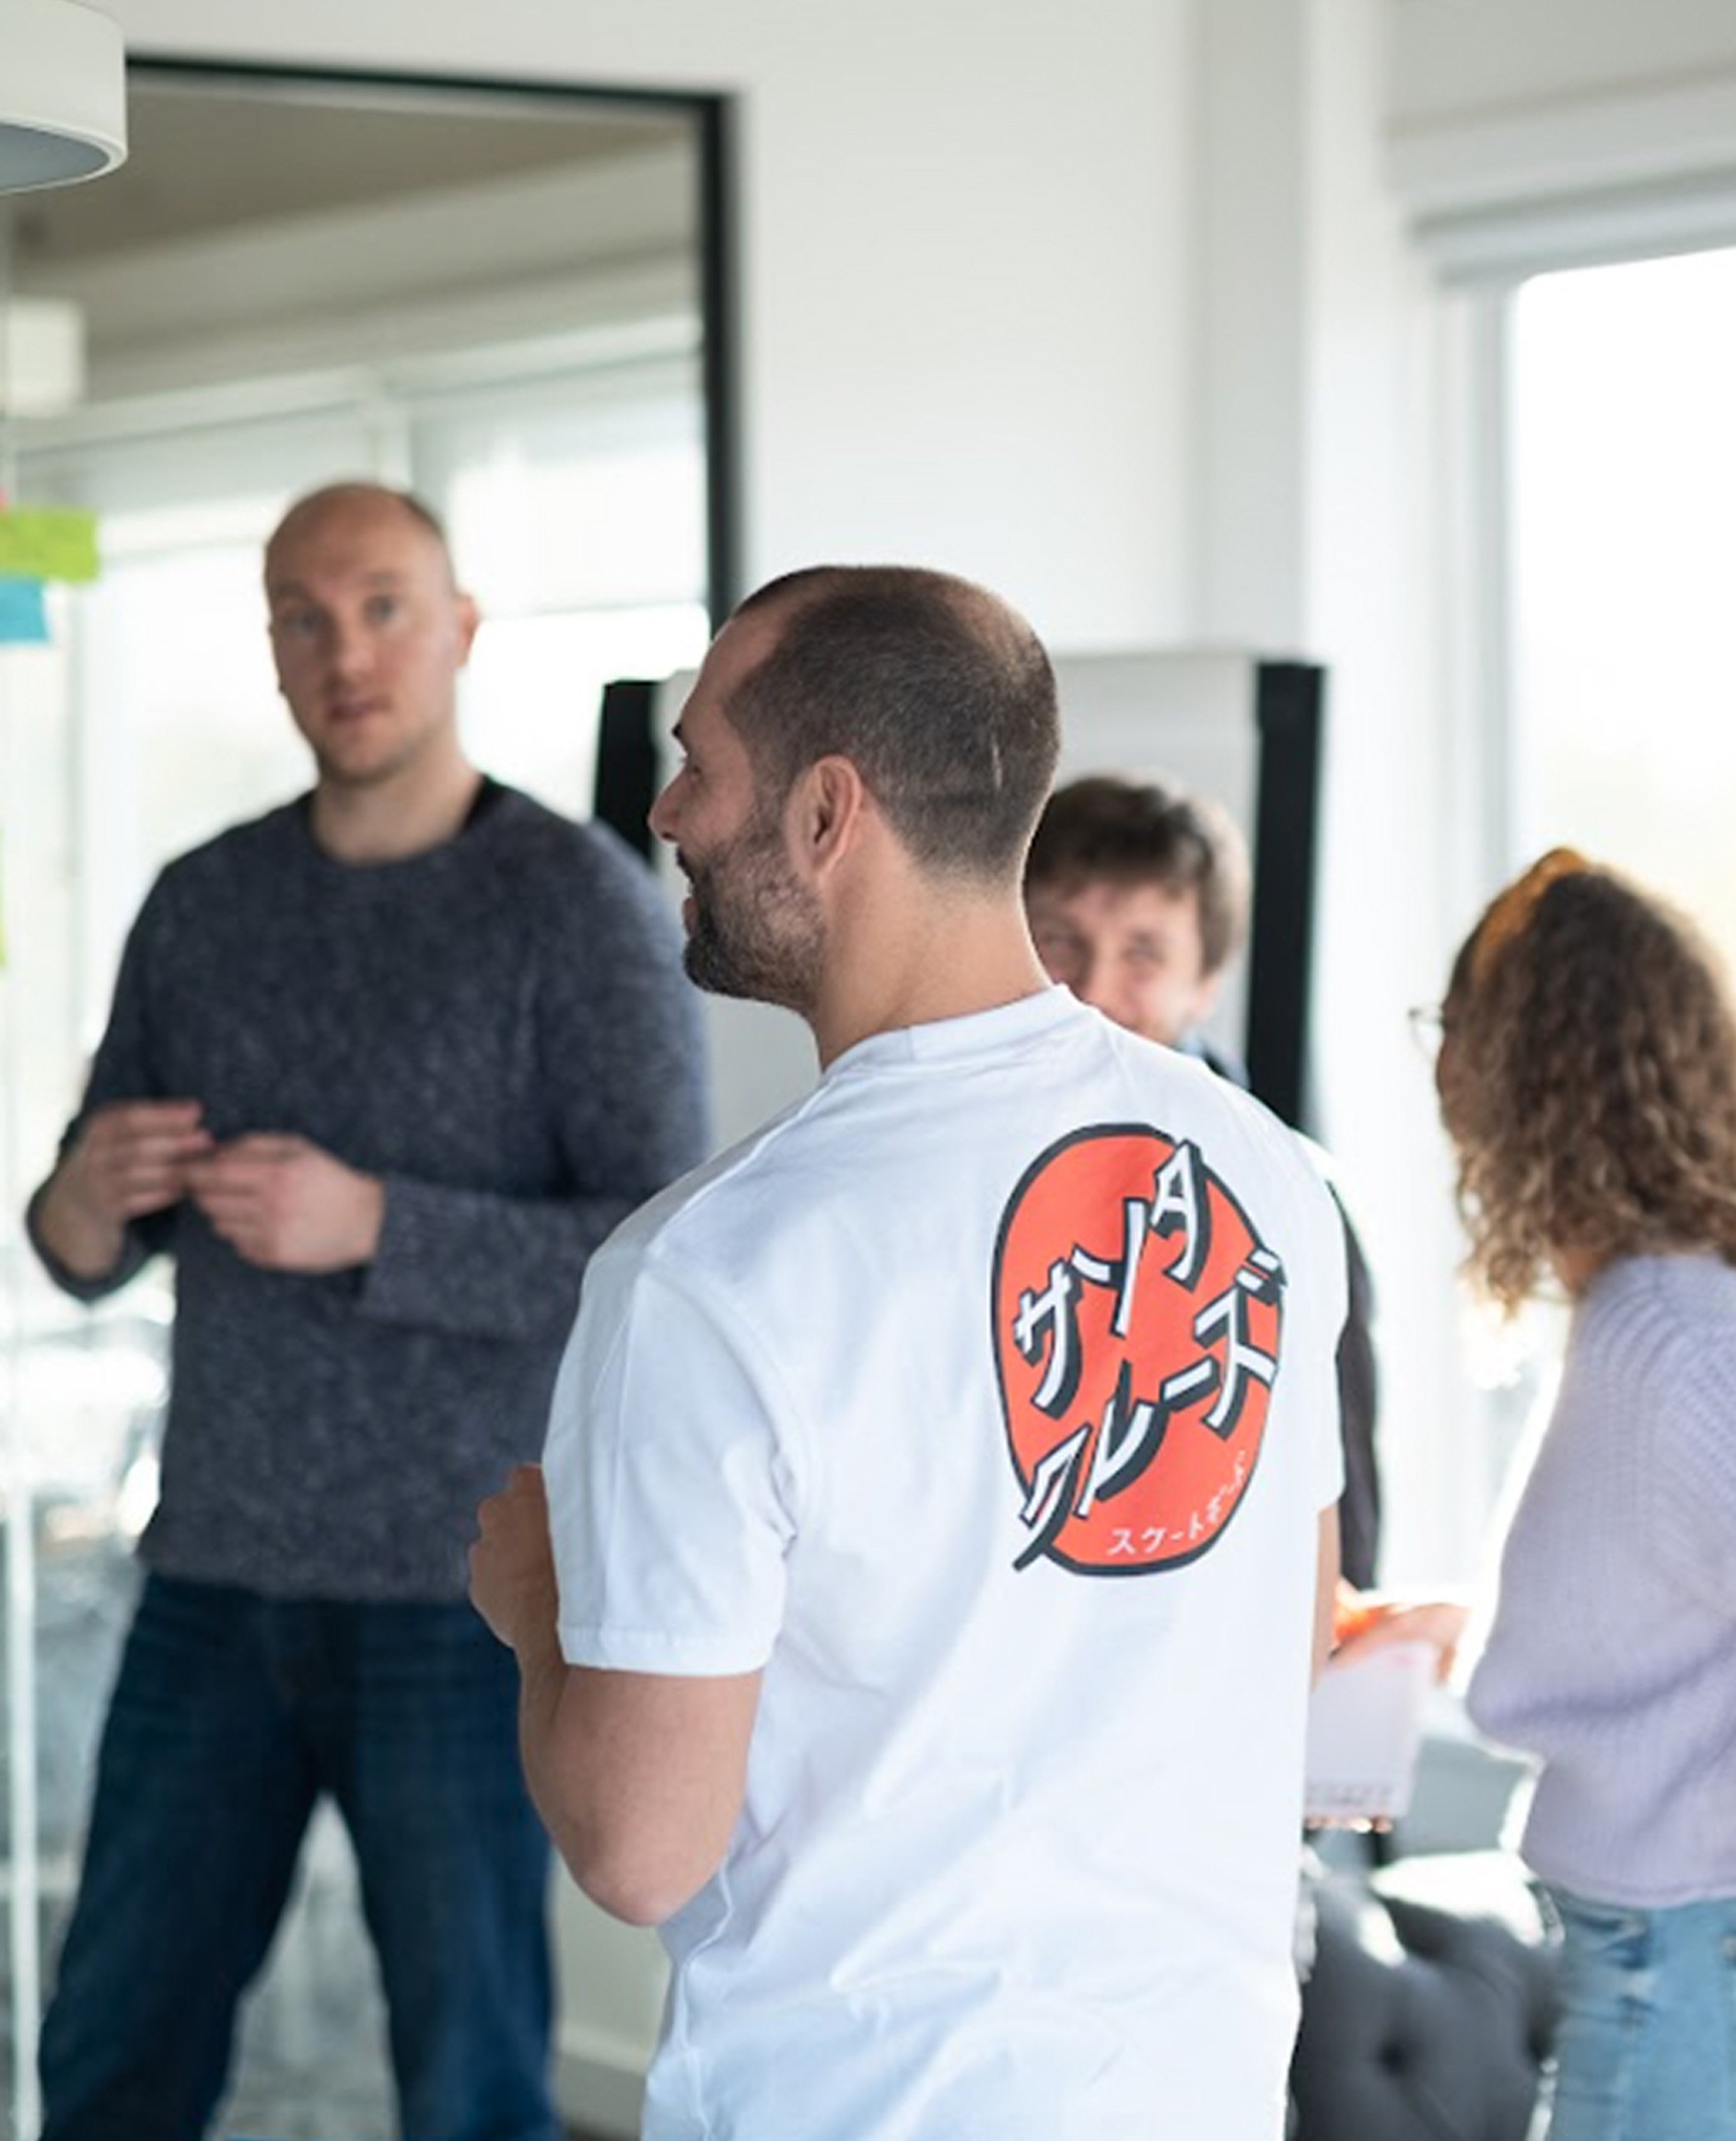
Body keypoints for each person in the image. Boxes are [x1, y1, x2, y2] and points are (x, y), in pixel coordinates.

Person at [472, 565, 1349, 2141]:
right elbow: (1284, 1640)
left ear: (825, 812)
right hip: (1191, 2094)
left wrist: (537, 1613)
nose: (666, 813)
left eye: (698, 763)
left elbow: (638, 1848)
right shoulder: (1262, 1171)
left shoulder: (710, 1272)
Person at [26, 480, 709, 2141]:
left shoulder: (580, 905)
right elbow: (73, 1236)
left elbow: (664, 1251)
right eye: (304, 617)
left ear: (463, 627)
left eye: (384, 605)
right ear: (270, 650)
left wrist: (377, 1224)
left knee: (468, 2083)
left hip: (462, 1597)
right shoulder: (202, 902)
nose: (348, 649)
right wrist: (85, 1198)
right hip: (210, 1572)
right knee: (110, 2054)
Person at [1432, 847, 1736, 2141]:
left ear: (1519, 1075)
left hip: (1681, 1951)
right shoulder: (1648, 1311)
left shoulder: (1666, 1338)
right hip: (1655, 1938)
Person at [1023, 772, 1382, 1588]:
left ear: (1207, 981)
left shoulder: (1290, 1192)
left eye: (1143, 953)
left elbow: (1347, 1527)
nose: (1093, 989)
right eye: (1060, 939)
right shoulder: (962, 1169)